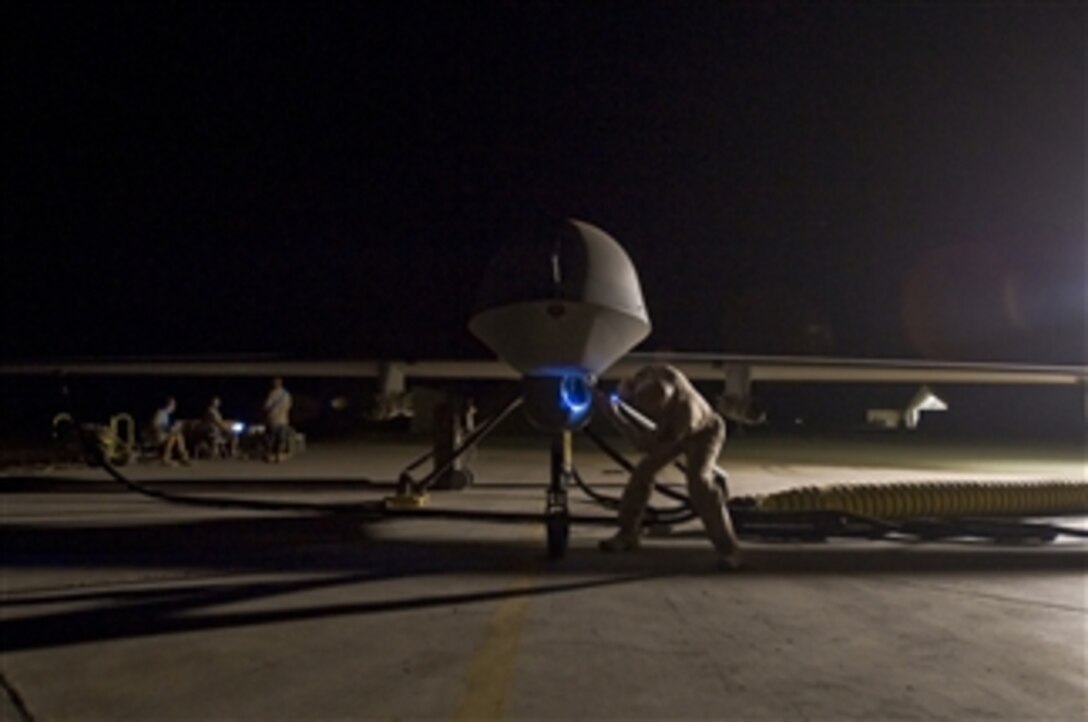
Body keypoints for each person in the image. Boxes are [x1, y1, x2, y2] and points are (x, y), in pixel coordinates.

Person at [595, 364, 743, 570]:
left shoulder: (685, 413)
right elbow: (628, 388)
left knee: (699, 483)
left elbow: (645, 445)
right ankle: (627, 534)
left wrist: (615, 417)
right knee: (642, 474)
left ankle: (729, 551)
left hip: (704, 433)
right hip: (668, 428)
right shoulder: (649, 375)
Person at [149, 396, 190, 466]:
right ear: (170, 405)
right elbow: (156, 426)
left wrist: (175, 427)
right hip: (159, 436)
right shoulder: (160, 413)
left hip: (165, 435)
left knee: (177, 435)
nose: (175, 407)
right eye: (174, 405)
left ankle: (182, 456)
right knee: (174, 436)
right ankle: (170, 457)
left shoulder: (167, 415)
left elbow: (167, 427)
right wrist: (170, 428)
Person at [263, 378, 293, 462]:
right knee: (281, 438)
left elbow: (266, 406)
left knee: (271, 438)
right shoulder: (286, 394)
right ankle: (279, 455)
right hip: (283, 419)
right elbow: (289, 406)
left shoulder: (272, 394)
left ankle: (270, 455)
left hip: (273, 419)